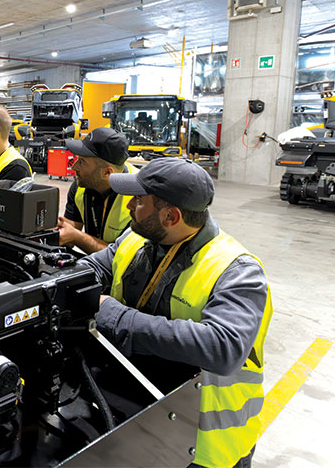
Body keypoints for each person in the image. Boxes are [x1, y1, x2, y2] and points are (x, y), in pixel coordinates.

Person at [81, 158, 272, 468]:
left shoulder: (237, 271)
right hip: (146, 420)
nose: (129, 206)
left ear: (170, 216)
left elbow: (223, 347)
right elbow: (95, 267)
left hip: (207, 445)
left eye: (138, 201)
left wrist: (115, 316)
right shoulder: (138, 238)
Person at [57, 127, 138, 254]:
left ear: (107, 172)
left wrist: (76, 236)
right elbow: (69, 234)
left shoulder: (139, 200)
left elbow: (122, 257)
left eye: (82, 162)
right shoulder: (81, 186)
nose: (74, 167)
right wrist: (59, 229)